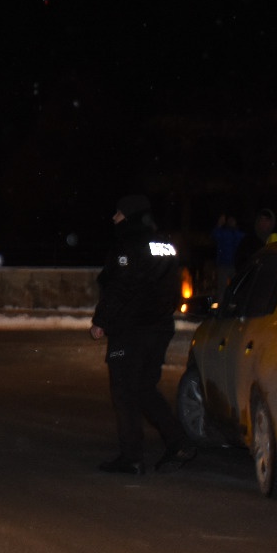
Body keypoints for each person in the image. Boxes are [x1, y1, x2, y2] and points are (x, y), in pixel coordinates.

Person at [89, 193, 195, 475]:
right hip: (159, 327)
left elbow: (121, 286)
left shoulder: (128, 244)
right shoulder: (165, 244)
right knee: (144, 388)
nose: (114, 217)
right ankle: (178, 442)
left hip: (130, 330)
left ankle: (132, 457)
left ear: (130, 215)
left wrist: (101, 321)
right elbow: (173, 285)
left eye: (119, 212)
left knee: (124, 390)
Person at [210, 213, 244, 299]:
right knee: (222, 289)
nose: (231, 222)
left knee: (236, 288)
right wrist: (219, 224)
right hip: (223, 265)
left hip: (235, 265)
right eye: (229, 220)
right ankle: (221, 307)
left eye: (233, 220)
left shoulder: (238, 234)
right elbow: (214, 235)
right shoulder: (222, 233)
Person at [233, 207, 276, 272]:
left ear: (272, 222)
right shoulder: (248, 241)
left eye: (267, 220)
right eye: (261, 219)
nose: (264, 222)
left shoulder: (276, 240)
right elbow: (240, 264)